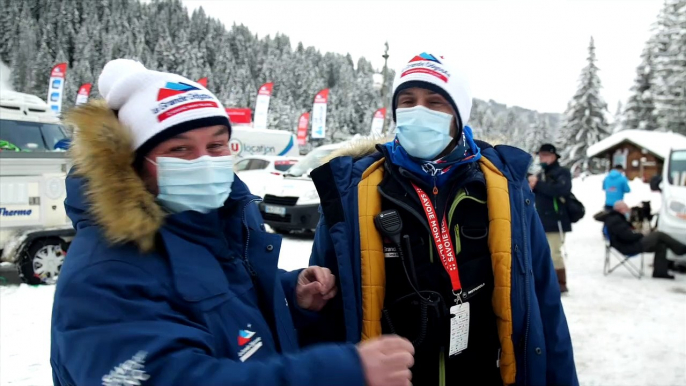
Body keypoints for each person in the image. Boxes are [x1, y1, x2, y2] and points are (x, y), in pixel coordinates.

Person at [50, 59, 415, 386]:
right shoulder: (105, 270)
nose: (204, 161)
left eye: (216, 145)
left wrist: (289, 294)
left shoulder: (214, 228)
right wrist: (338, 372)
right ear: (134, 163)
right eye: (180, 149)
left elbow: (226, 311)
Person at [299, 53, 577, 385]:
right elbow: (323, 304)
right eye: (408, 101)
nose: (419, 111)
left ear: (459, 116)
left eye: (435, 102)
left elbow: (544, 302)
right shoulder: (353, 192)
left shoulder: (504, 191)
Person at [599, 201, 686, 279]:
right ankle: (681, 249)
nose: (628, 211)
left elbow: (626, 234)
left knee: (661, 245)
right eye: (627, 209)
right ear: (621, 209)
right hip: (629, 247)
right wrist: (641, 234)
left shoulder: (615, 218)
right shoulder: (616, 220)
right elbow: (627, 236)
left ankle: (660, 272)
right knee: (659, 235)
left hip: (629, 244)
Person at [529, 144, 572, 293]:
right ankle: (546, 283)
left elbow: (560, 190)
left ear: (554, 156)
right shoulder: (540, 173)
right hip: (541, 219)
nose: (542, 158)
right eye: (540, 155)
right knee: (541, 252)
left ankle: (560, 283)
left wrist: (537, 184)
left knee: (554, 252)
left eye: (545, 155)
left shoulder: (562, 172)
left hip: (556, 220)